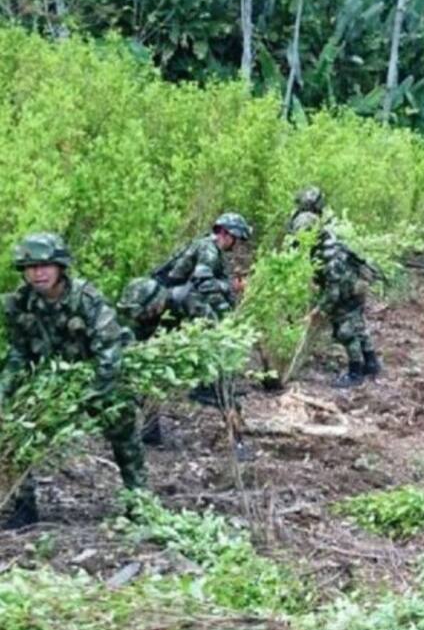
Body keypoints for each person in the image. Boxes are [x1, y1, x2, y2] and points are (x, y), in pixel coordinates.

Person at [0, 233, 145, 529]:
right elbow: (18, 353)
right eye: (30, 267)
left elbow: (109, 355)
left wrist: (87, 397)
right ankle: (24, 506)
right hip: (50, 384)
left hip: (94, 379)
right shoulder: (20, 304)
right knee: (18, 430)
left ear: (60, 267)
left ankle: (138, 500)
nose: (37, 273)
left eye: (45, 265)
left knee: (122, 424)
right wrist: (5, 390)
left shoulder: (87, 299)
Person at [296, 222, 382, 388]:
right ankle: (371, 364)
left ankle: (355, 373)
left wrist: (318, 310)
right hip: (355, 289)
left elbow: (333, 293)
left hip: (347, 296)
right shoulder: (331, 243)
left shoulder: (328, 258)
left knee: (346, 333)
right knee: (359, 328)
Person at [116, 276, 189, 446]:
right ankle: (150, 429)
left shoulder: (186, 302)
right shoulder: (143, 316)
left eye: (142, 311)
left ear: (157, 302)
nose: (137, 317)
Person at [153, 212, 253, 321]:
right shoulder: (208, 249)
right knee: (212, 313)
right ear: (224, 233)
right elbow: (204, 284)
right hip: (165, 294)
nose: (235, 243)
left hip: (174, 293)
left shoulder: (213, 249)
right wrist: (230, 288)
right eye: (234, 237)